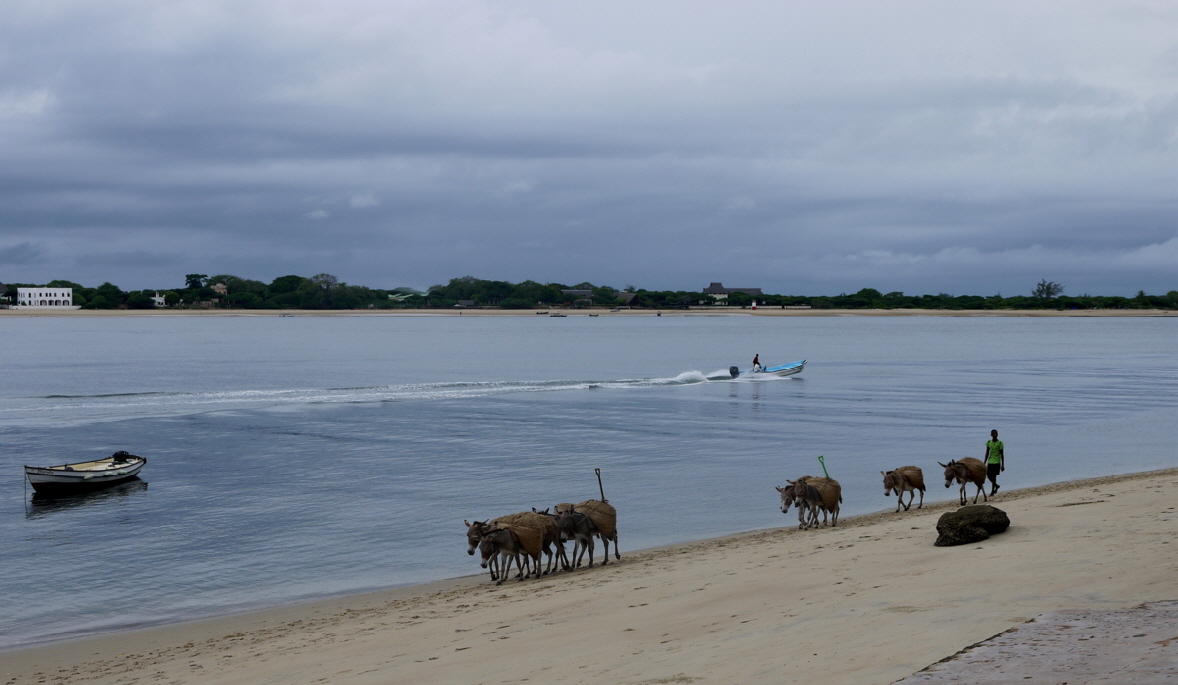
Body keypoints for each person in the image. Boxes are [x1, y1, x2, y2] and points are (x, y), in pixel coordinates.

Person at [984, 429, 1004, 495]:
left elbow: (1002, 454)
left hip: (997, 462)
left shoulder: (1000, 443)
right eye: (994, 434)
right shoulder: (989, 442)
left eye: (996, 433)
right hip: (990, 461)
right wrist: (984, 462)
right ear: (991, 435)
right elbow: (987, 453)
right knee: (988, 475)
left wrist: (1002, 465)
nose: (995, 435)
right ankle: (996, 485)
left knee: (994, 476)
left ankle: (992, 491)